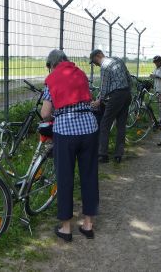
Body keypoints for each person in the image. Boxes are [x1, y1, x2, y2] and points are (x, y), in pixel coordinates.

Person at [41, 50, 99, 241]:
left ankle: (66, 228)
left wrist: (52, 114)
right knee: (89, 175)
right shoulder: (80, 73)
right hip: (89, 128)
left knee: (65, 178)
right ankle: (88, 224)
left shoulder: (53, 78)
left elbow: (45, 113)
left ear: (52, 64)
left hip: (66, 132)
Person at [89, 49, 132, 163]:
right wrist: (128, 92)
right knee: (121, 125)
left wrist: (99, 100)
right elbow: (128, 77)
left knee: (105, 124)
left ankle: (103, 154)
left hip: (116, 95)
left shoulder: (105, 65)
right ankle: (118, 154)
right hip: (126, 93)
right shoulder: (118, 60)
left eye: (94, 61)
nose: (95, 64)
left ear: (99, 55)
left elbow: (104, 86)